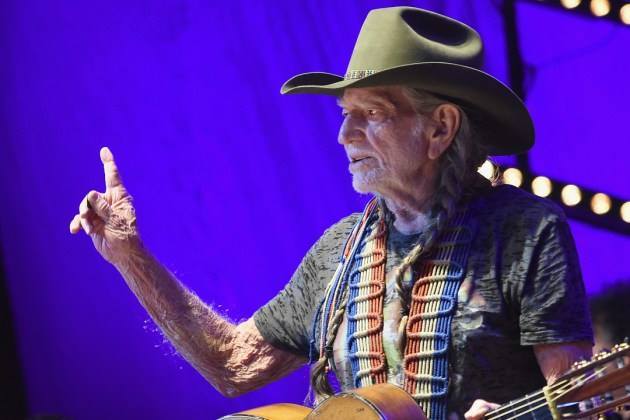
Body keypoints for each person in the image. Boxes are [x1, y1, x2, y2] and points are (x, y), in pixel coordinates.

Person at [69, 7, 593, 420]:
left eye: (372, 113)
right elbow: (233, 364)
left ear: (440, 128)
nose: (345, 135)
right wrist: (131, 256)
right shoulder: (340, 251)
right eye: (346, 114)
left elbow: (577, 401)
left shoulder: (524, 232)